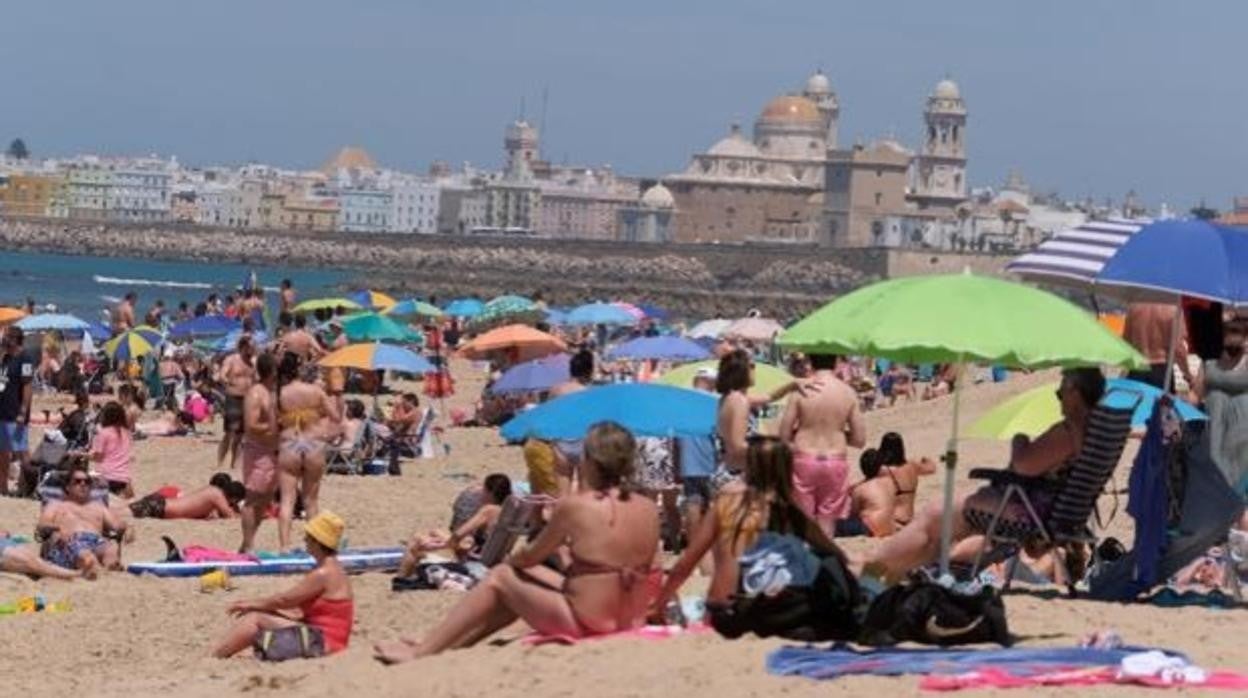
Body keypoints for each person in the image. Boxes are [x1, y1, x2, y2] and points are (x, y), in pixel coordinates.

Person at [375, 422, 660, 662]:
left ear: (589, 461)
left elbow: (530, 556)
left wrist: (521, 556)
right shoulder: (648, 507)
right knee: (518, 585)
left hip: (591, 622)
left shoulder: (578, 506)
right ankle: (445, 646)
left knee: (502, 576)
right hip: (629, 617)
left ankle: (424, 651)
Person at [860, 367, 1107, 580]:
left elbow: (1023, 466)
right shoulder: (1096, 432)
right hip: (1055, 512)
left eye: (1061, 391)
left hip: (1028, 512)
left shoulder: (1069, 431)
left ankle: (873, 564)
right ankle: (889, 569)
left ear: (1075, 392)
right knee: (940, 528)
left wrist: (1019, 439)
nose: (1059, 398)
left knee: (935, 514)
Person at [653, 436, 846, 622]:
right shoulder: (792, 509)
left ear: (750, 466)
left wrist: (659, 604)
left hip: (727, 610)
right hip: (779, 610)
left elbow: (686, 563)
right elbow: (833, 554)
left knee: (673, 600)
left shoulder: (728, 503)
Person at [213, 511, 355, 658]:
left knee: (255, 618)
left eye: (308, 537)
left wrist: (251, 604)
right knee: (265, 614)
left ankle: (217, 656)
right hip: (329, 640)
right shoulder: (336, 569)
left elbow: (284, 600)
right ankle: (222, 652)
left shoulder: (323, 573)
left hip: (322, 642)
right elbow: (296, 609)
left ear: (317, 541)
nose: (305, 540)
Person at [777, 352, 867, 535]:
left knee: (803, 519)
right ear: (835, 362)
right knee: (828, 519)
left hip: (805, 457)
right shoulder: (847, 392)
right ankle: (824, 558)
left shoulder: (801, 390)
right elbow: (859, 439)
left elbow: (783, 434)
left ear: (810, 362)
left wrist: (802, 430)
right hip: (835, 459)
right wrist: (837, 431)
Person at [276, 354, 340, 550]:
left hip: (290, 443)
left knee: (287, 500)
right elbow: (336, 417)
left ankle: (285, 545)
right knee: (311, 500)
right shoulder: (316, 391)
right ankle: (313, 545)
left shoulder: (279, 393)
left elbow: (273, 422)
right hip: (313, 443)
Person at [715, 349, 813, 475]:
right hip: (738, 474)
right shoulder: (739, 401)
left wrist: (792, 385)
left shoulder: (730, 397)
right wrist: (776, 451)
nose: (754, 369)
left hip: (728, 469)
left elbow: (769, 397)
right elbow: (737, 446)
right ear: (740, 370)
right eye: (751, 365)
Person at [396, 474, 513, 577]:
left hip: (476, 561)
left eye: (484, 489)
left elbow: (458, 534)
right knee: (435, 532)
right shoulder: (511, 512)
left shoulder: (488, 510)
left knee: (417, 541)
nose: (481, 493)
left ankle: (402, 578)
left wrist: (444, 545)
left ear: (490, 493)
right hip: (494, 558)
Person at [37, 463, 128, 580]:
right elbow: (42, 525)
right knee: (86, 556)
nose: (83, 484)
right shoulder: (56, 505)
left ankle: (110, 572)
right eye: (77, 481)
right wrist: (57, 530)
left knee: (111, 549)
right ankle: (96, 572)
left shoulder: (98, 506)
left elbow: (117, 525)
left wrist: (127, 528)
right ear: (68, 487)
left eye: (87, 482)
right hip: (69, 541)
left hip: (96, 541)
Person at [838, 434, 937, 537]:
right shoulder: (912, 466)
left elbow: (869, 484)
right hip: (908, 519)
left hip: (893, 520)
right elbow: (931, 469)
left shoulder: (884, 471)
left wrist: (851, 488)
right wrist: (926, 459)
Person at [240, 353, 280, 553]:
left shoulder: (270, 391)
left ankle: (247, 542)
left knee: (266, 499)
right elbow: (250, 425)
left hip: (271, 452)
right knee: (253, 498)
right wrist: (275, 428)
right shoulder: (256, 393)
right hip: (257, 452)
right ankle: (248, 546)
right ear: (271, 371)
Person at [1123, 302, 1192, 390]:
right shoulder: (1173, 310)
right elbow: (1178, 348)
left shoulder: (1134, 307)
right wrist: (1187, 375)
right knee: (1160, 403)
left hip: (1138, 368)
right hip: (1161, 371)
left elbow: (1126, 341)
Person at [0, 326, 34, 497]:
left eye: (6, 337)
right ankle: (3, 487)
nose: (3, 339)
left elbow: (28, 386)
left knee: (21, 450)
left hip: (16, 412)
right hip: (3, 411)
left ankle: (27, 487)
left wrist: (23, 411)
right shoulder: (5, 358)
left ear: (14, 339)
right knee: (3, 451)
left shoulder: (25, 358)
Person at [217, 335, 256, 470]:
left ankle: (234, 464)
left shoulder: (253, 362)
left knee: (241, 435)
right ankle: (220, 462)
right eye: (251, 347)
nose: (254, 349)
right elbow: (223, 374)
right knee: (229, 432)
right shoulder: (232, 359)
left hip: (248, 400)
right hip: (233, 397)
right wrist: (225, 380)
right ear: (244, 347)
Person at [130, 473, 245, 520]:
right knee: (117, 514)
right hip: (160, 508)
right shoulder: (217, 495)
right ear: (234, 499)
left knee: (119, 512)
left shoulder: (211, 491)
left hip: (161, 504)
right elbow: (231, 517)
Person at [84, 401, 134, 498]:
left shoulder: (103, 433)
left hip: (106, 477)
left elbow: (98, 458)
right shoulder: (127, 433)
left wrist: (84, 456)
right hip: (123, 479)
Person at [0, 532, 79, 580]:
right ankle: (71, 573)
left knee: (35, 560)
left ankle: (71, 573)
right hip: (4, 548)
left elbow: (4, 532)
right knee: (31, 563)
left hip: (4, 542)